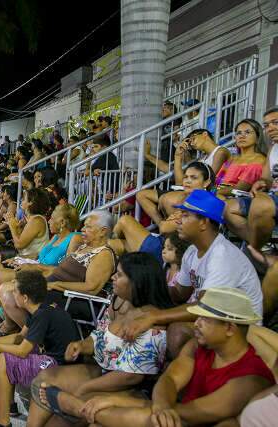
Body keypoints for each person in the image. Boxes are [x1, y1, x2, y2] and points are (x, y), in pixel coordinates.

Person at [36, 288, 274, 427]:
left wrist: (130, 403)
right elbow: (169, 380)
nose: (196, 324)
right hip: (172, 412)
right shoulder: (198, 347)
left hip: (195, 421)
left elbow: (196, 413)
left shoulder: (251, 378)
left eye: (204, 319)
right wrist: (159, 405)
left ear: (230, 328)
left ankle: (77, 408)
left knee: (154, 420)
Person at [27, 252, 176, 427]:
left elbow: (131, 378)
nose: (113, 277)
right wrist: (82, 345)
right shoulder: (120, 300)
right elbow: (99, 334)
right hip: (102, 370)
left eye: (119, 274)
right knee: (44, 380)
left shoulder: (152, 323)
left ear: (137, 282)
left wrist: (85, 388)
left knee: (60, 419)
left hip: (127, 388)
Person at [118, 190, 263, 359]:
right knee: (137, 306)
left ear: (203, 222)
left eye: (185, 216)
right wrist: (143, 287)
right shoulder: (192, 252)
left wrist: (156, 315)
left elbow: (205, 307)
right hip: (213, 320)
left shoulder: (221, 255)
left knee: (176, 331)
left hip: (238, 328)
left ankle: (191, 378)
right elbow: (179, 294)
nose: (178, 220)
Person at [0, 270, 78, 427]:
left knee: (2, 361)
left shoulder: (42, 315)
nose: (13, 294)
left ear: (25, 298)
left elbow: (22, 350)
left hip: (58, 365)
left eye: (15, 291)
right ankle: (9, 404)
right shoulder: (40, 308)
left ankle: (2, 422)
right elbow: (19, 337)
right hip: (51, 356)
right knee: (7, 352)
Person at [224, 107, 278, 250]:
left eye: (275, 123)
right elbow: (266, 178)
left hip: (270, 201)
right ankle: (260, 244)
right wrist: (261, 183)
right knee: (228, 208)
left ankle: (255, 248)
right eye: (266, 125)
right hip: (272, 197)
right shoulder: (273, 150)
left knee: (260, 203)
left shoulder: (257, 159)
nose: (270, 128)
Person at [213, 118, 265, 197]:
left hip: (233, 200)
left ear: (257, 137)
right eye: (238, 133)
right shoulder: (232, 158)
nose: (242, 136)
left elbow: (239, 189)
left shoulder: (259, 160)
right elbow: (217, 181)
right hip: (216, 195)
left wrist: (212, 192)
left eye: (247, 132)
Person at [4, 188, 51, 260]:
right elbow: (21, 240)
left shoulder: (37, 220)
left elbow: (19, 245)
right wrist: (18, 227)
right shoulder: (33, 219)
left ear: (31, 202)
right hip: (26, 258)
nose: (21, 201)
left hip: (32, 262)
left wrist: (11, 225)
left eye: (23, 199)